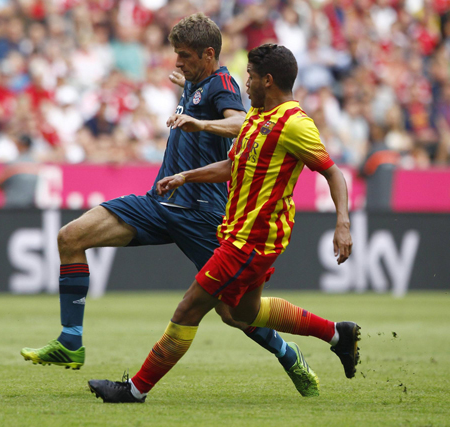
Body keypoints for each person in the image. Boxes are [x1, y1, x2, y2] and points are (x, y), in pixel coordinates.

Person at [21, 14, 325, 397]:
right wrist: (190, 92)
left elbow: (241, 122)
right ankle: (70, 341)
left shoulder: (224, 85)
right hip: (160, 201)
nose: (177, 62)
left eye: (184, 56)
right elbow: (202, 100)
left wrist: (201, 123)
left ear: (208, 54)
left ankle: (288, 354)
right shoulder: (198, 83)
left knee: (232, 313)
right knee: (71, 237)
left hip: (202, 213)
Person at [88, 44, 360, 403]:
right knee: (243, 313)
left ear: (268, 80)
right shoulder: (255, 120)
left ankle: (135, 390)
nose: (244, 83)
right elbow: (233, 167)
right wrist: (186, 176)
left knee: (189, 308)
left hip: (253, 242)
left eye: (249, 76)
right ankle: (338, 335)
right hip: (238, 234)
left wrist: (343, 223)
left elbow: (333, 173)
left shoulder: (295, 124)